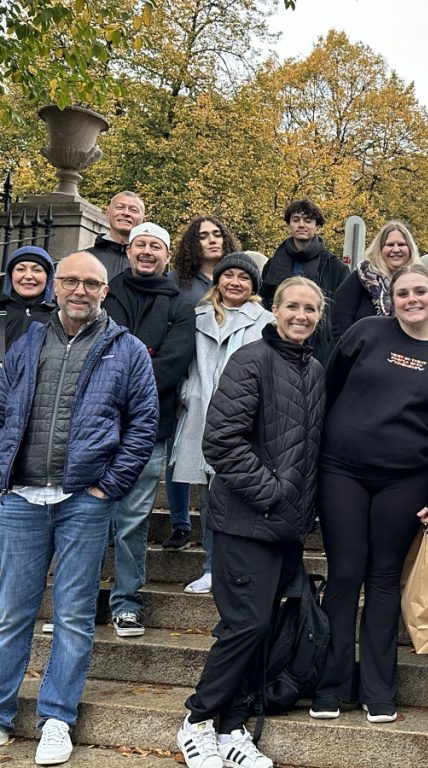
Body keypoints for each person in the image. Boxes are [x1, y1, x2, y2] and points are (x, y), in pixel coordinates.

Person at [0, 251, 157, 766]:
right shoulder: (27, 343)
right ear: (55, 287)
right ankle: (1, 715)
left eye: (91, 283)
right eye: (70, 280)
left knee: (71, 616)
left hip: (83, 501)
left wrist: (108, 487)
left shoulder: (127, 350)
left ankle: (55, 719)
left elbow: (142, 426)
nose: (80, 290)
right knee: (10, 615)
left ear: (104, 292)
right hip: (21, 498)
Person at [175, 276, 325, 768]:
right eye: (293, 307)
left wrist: (297, 508)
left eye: (311, 309)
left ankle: (232, 726)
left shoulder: (314, 370)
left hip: (284, 527)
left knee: (261, 628)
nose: (301, 316)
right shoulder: (250, 360)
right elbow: (220, 441)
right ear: (274, 310)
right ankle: (198, 720)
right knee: (245, 625)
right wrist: (274, 493)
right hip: (245, 519)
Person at [310, 264, 428, 723]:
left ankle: (378, 689)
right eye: (402, 293)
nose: (411, 299)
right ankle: (331, 684)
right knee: (344, 574)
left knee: (382, 580)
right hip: (342, 473)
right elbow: (328, 391)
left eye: (420, 291)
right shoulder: (365, 333)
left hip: (406, 480)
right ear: (391, 299)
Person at [103, 222, 197, 638]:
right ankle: (82, 600)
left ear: (165, 255)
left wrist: (133, 363)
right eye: (140, 243)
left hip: (148, 427)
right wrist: (143, 352)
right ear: (128, 250)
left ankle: (126, 603)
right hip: (97, 424)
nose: (147, 251)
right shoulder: (106, 293)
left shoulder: (179, 303)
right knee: (88, 519)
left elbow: (173, 361)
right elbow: (99, 348)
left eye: (155, 246)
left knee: (132, 520)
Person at [169, 253, 274, 595]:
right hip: (200, 415)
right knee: (208, 499)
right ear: (218, 281)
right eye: (228, 275)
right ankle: (211, 568)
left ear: (253, 286)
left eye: (243, 278)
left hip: (242, 421)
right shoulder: (197, 315)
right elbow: (184, 360)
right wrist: (189, 392)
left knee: (237, 499)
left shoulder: (265, 321)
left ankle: (238, 569)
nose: (235, 282)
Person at [160, 216, 243, 553]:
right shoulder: (177, 281)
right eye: (203, 236)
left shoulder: (237, 277)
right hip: (185, 373)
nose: (211, 240)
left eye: (217, 234)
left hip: (224, 378)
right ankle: (180, 522)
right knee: (177, 453)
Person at [260, 198, 349, 363]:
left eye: (308, 221)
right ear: (289, 226)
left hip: (319, 349)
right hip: (277, 344)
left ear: (318, 228)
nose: (301, 225)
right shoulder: (273, 264)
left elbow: (341, 314)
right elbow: (262, 302)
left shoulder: (335, 267)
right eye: (296, 220)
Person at [331, 220, 418, 337]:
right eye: (390, 245)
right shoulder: (360, 278)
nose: (396, 250)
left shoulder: (419, 283)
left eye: (401, 244)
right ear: (380, 249)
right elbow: (341, 321)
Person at [0, 245, 57, 359]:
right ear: (11, 275)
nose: (28, 276)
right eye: (21, 269)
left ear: (48, 277)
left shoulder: (60, 316)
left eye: (37, 270)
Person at [86, 191, 146, 278]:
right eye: (120, 207)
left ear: (143, 220)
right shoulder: (86, 257)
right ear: (108, 213)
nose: (126, 213)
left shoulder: (149, 263)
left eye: (133, 210)